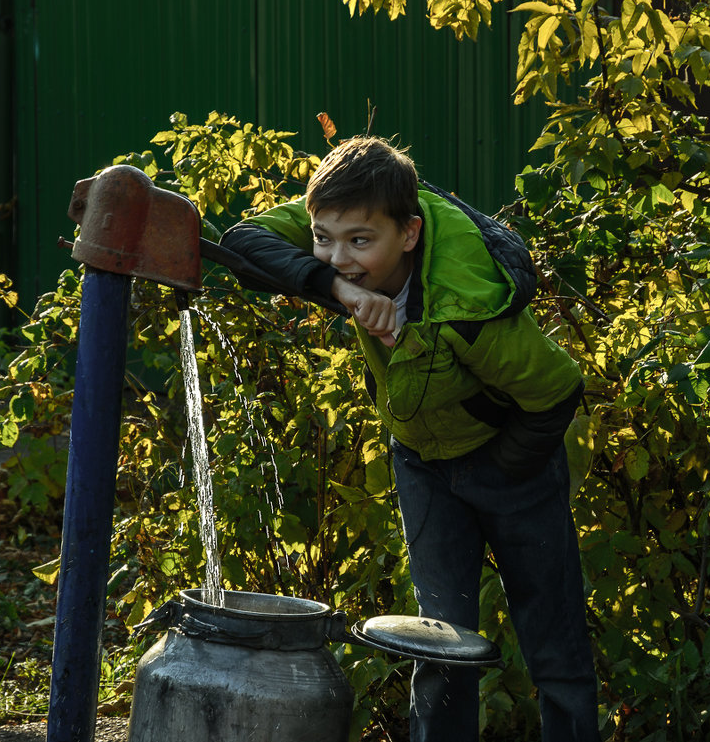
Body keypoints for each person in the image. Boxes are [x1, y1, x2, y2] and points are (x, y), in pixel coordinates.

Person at [220, 136, 600, 741]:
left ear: (410, 234)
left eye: (360, 243)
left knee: (552, 637)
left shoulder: (466, 309)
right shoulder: (351, 218)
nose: (338, 255)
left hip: (511, 462)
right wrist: (341, 289)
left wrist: (500, 468)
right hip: (422, 461)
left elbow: (557, 389)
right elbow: (242, 243)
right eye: (323, 237)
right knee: (440, 642)